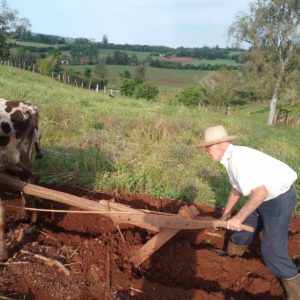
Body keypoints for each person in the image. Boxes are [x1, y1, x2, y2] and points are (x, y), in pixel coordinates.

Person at [197, 125, 299, 299]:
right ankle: (232, 258)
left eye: (208, 147)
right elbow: (236, 188)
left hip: (278, 199)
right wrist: (226, 214)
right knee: (243, 228)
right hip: (263, 197)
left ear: (220, 144)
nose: (206, 151)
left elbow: (261, 193)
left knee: (271, 249)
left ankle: (296, 292)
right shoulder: (229, 159)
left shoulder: (238, 160)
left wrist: (238, 217)